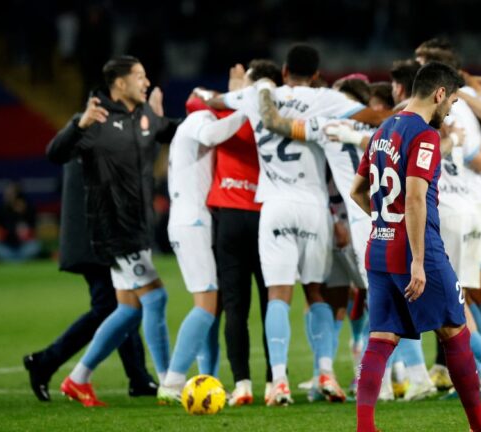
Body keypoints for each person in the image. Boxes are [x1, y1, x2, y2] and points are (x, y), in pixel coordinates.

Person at [349, 61, 481, 432]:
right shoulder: (425, 135)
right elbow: (414, 198)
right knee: (456, 331)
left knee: (380, 338)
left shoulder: (383, 128)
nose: (451, 110)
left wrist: (386, 221)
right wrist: (416, 260)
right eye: (452, 101)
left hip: (378, 247)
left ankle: (365, 428)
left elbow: (357, 191)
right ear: (440, 93)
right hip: (420, 251)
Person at [207, 44, 389, 406]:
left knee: (278, 295)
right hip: (314, 208)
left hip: (273, 205)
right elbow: (372, 116)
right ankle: (326, 373)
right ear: (317, 74)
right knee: (316, 291)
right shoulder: (324, 97)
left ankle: (279, 383)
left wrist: (239, 89)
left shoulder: (259, 94)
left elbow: (213, 101)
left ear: (285, 70)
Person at [46, 55, 179, 406]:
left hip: (137, 227)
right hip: (114, 229)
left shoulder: (143, 117)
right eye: (139, 76)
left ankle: (78, 378)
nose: (146, 81)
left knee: (129, 310)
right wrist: (79, 125)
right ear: (119, 83)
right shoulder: (96, 119)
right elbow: (55, 153)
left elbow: (174, 130)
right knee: (156, 296)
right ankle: (168, 381)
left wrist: (208, 112)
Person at [23, 139, 158, 402]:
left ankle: (138, 377)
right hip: (96, 240)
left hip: (91, 238)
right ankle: (45, 361)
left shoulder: (89, 132)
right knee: (114, 309)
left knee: (120, 306)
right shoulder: (100, 133)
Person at [156, 95, 250, 402]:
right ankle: (172, 381)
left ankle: (207, 374)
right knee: (206, 304)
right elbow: (212, 134)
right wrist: (247, 111)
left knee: (214, 302)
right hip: (193, 222)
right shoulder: (198, 121)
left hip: (191, 220)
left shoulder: (185, 128)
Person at [204, 59, 281, 406]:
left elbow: (197, 100)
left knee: (235, 307)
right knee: (271, 305)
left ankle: (242, 385)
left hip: (231, 217)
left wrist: (234, 92)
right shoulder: (277, 118)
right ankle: (273, 383)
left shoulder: (226, 114)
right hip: (266, 215)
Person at [0, 182, 42, 261]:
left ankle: (15, 261)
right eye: (7, 193)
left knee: (35, 245)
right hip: (7, 246)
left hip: (24, 247)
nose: (8, 196)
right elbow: (1, 227)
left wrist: (22, 213)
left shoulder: (28, 209)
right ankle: (16, 261)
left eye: (11, 193)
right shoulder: (2, 209)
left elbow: (32, 228)